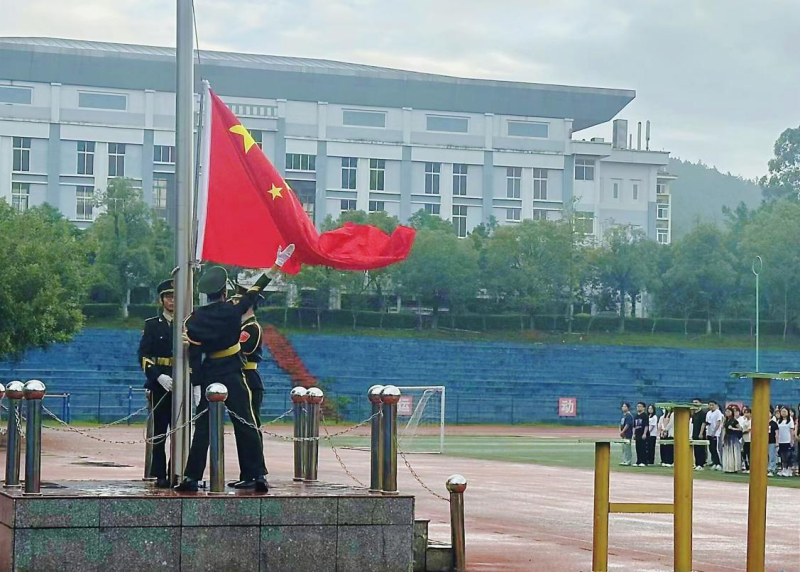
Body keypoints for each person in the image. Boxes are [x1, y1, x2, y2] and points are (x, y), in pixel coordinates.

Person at [175, 245, 295, 492]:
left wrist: (196, 382)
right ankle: (257, 475)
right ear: (224, 291)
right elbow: (255, 291)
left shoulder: (194, 319)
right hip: (232, 372)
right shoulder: (232, 310)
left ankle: (191, 477)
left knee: (203, 429)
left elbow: (194, 353)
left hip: (210, 374)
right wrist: (276, 265)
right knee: (247, 424)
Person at [137, 279, 175, 488]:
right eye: (168, 297)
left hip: (181, 381)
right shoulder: (152, 324)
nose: (172, 301)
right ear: (161, 300)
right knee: (160, 431)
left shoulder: (187, 323)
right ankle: (160, 473)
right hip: (160, 382)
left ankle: (177, 471)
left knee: (181, 431)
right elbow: (144, 355)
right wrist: (158, 376)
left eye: (175, 297)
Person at [229, 282, 266, 487]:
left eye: (238, 302)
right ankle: (247, 474)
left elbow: (241, 350)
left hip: (248, 378)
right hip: (240, 376)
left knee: (250, 427)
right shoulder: (241, 327)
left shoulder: (251, 328)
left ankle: (256, 475)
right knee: (242, 428)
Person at [721, 406, 742, 473]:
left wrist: (733, 428)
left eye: (729, 411)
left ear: (732, 412)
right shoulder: (725, 421)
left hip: (733, 438)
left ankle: (734, 468)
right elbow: (724, 430)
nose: (727, 413)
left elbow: (740, 429)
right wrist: (722, 439)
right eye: (726, 411)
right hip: (727, 438)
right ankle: (727, 467)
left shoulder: (734, 421)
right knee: (727, 452)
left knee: (733, 452)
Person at [776, 406, 795, 477]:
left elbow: (791, 431)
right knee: (782, 455)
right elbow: (777, 432)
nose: (783, 413)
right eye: (782, 411)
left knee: (788, 456)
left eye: (785, 411)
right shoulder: (779, 421)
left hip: (787, 440)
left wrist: (791, 441)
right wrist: (777, 441)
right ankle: (783, 469)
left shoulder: (790, 420)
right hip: (781, 441)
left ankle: (788, 470)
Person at [705, 400, 724, 470]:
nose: (711, 406)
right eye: (710, 405)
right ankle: (714, 462)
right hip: (709, 433)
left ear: (716, 405)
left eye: (712, 405)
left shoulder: (718, 412)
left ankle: (719, 463)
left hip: (715, 434)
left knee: (715, 448)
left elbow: (718, 422)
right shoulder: (708, 413)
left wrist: (714, 432)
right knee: (711, 449)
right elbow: (707, 422)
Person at [691, 398, 707, 471]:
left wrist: (701, 433)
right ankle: (697, 463)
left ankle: (701, 464)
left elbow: (703, 423)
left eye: (696, 402)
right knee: (696, 449)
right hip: (694, 433)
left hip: (700, 433)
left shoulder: (702, 413)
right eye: (693, 402)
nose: (695, 403)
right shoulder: (694, 413)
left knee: (701, 449)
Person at [633, 402, 649, 467]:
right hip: (637, 434)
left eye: (640, 406)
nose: (638, 407)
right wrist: (634, 434)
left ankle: (644, 461)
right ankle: (638, 461)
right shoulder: (636, 416)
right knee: (638, 448)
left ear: (643, 408)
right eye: (638, 406)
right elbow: (634, 426)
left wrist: (644, 433)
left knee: (643, 448)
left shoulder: (645, 415)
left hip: (642, 434)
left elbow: (646, 425)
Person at [768, 406, 779, 477]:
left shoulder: (774, 423)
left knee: (772, 456)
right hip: (764, 442)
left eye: (768, 413)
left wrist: (777, 442)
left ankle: (771, 469)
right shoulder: (762, 423)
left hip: (772, 442)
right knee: (765, 456)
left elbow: (776, 433)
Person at [740, 405, 752, 473]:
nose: (746, 414)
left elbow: (749, 430)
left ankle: (750, 468)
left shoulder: (751, 421)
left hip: (750, 439)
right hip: (744, 439)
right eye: (745, 413)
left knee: (750, 454)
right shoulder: (744, 421)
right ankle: (747, 467)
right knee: (745, 453)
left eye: (747, 413)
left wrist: (742, 432)